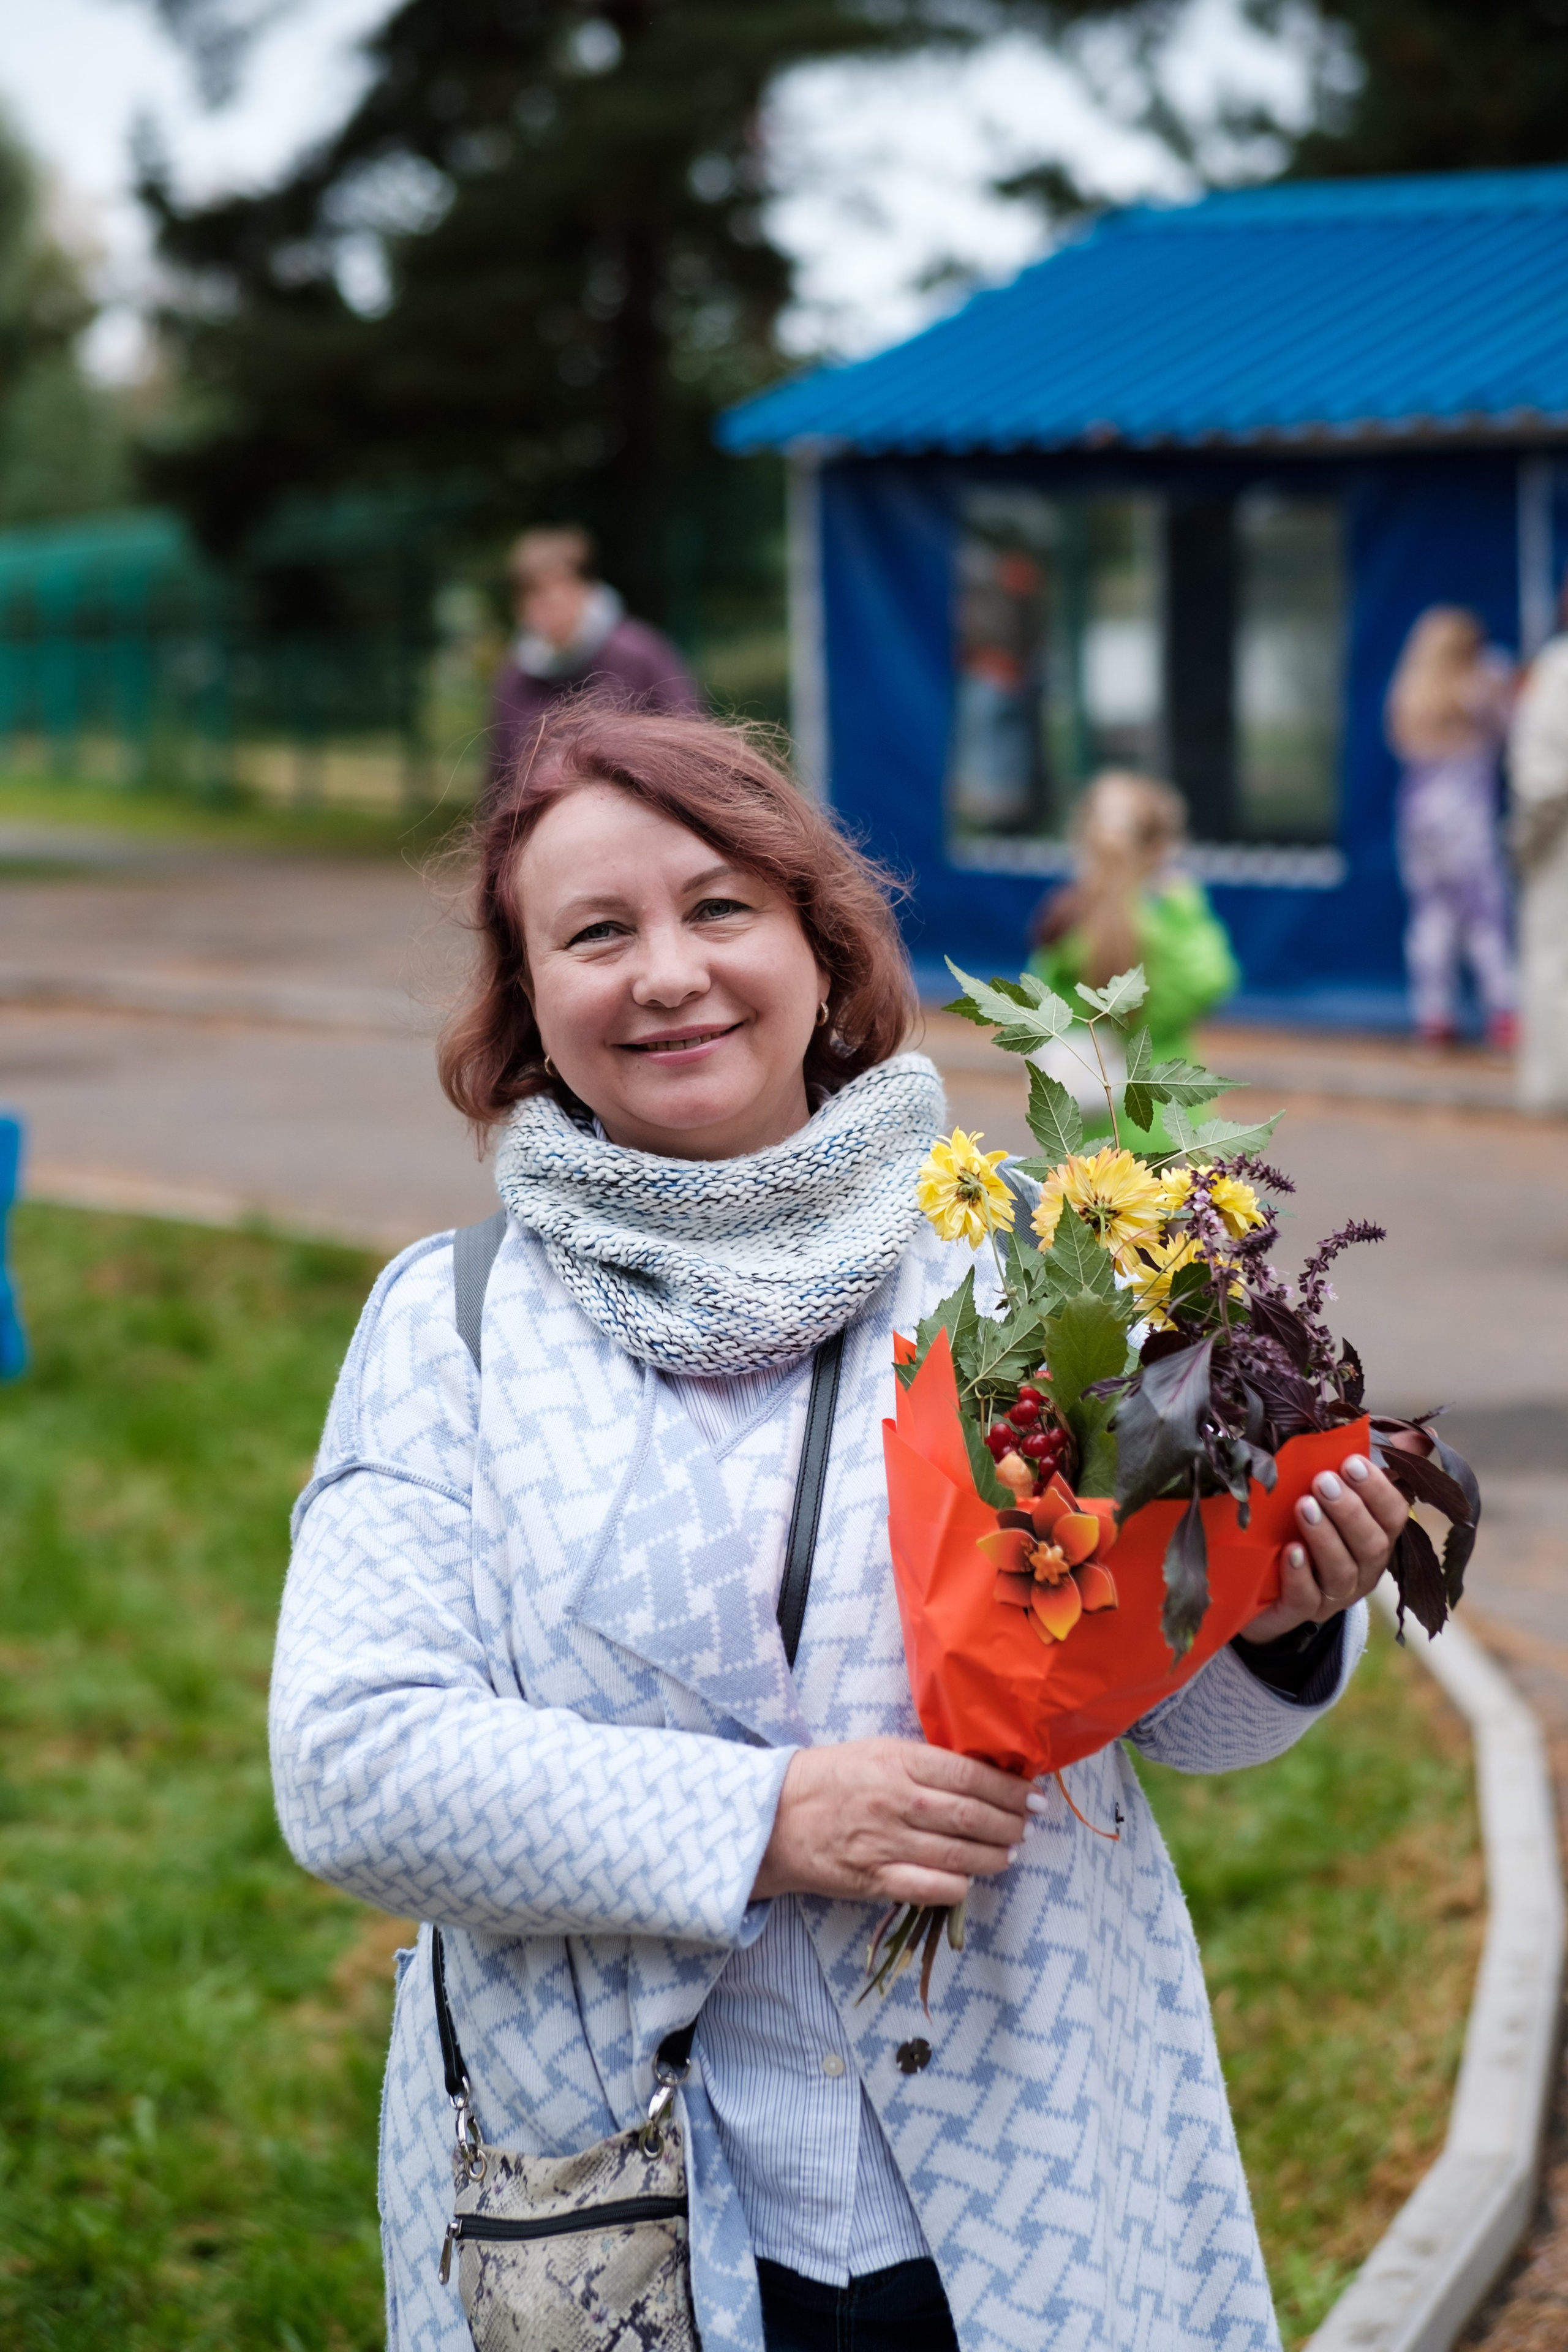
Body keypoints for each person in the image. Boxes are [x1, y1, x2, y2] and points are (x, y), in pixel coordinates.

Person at [270, 706, 1409, 2352]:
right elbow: (352, 1766)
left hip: (1028, 2195)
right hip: (632, 2224)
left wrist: (1286, 1611)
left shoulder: (1041, 1259)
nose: (668, 973)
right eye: (597, 934)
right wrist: (772, 1820)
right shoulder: (450, 1327)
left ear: (821, 945)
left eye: (720, 908)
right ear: (530, 1003)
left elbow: (1182, 1725)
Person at [1028, 769, 1240, 1147]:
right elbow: (1209, 980)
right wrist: (1186, 909)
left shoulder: (1066, 918)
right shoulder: (1173, 918)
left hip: (1082, 1137)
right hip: (1169, 1126)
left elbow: (1036, 1010)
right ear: (1162, 849)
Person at [1385, 606, 1517, 1051]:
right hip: (1465, 821)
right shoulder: (1480, 686)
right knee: (1485, 916)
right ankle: (1503, 1011)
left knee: (1432, 916)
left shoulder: (1411, 692)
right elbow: (1511, 726)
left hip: (1417, 817)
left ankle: (1433, 1016)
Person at [486, 524, 703, 797]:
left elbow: (690, 746)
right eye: (526, 594)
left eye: (547, 591)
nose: (537, 605)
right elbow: (500, 782)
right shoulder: (514, 678)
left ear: (583, 588)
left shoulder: (641, 655)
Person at [1507, 578, 1568, 1111]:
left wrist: (1525, 843)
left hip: (1560, 850)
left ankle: (1555, 1087)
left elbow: (1542, 782)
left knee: (1556, 962)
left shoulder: (1557, 670)